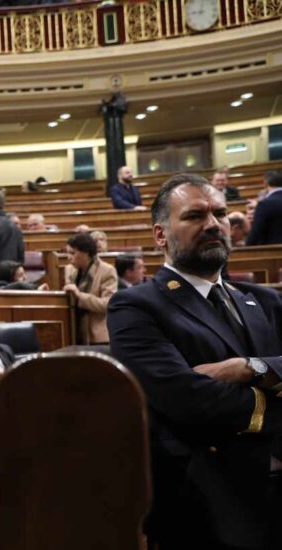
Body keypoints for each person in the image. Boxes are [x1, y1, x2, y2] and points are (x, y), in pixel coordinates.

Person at [107, 173, 282, 550]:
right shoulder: (135, 306)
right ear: (160, 235)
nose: (213, 224)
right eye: (194, 216)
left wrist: (251, 367)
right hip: (205, 504)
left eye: (220, 213)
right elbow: (188, 400)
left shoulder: (263, 300)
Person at [62, 232, 117, 344]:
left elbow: (107, 304)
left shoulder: (107, 270)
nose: (69, 257)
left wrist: (80, 296)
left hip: (97, 336)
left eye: (73, 253)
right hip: (73, 333)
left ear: (86, 253)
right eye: (67, 253)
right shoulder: (69, 270)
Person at [246, 170, 282, 246]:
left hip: (273, 251)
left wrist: (246, 248)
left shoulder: (265, 204)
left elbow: (256, 232)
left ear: (265, 184)